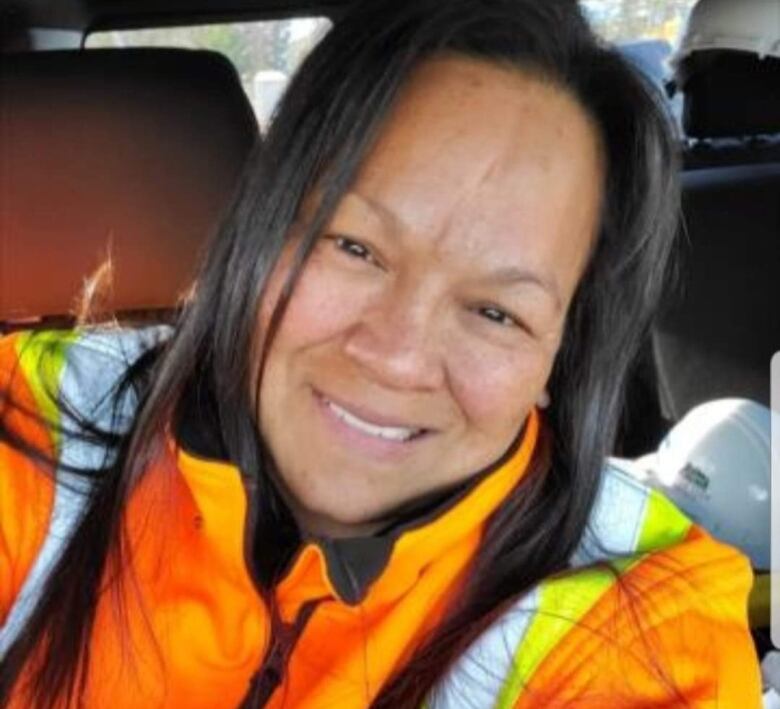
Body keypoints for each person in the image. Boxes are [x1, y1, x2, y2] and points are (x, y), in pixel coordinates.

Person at [0, 0, 763, 707]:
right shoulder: (34, 423)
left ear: (558, 362)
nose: (396, 356)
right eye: (356, 247)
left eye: (497, 312)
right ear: (264, 234)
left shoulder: (639, 619)